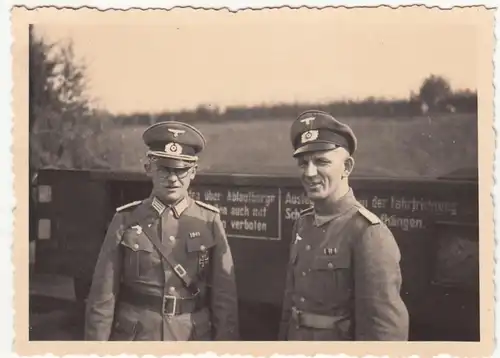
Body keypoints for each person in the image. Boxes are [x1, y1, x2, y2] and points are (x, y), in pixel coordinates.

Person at [84, 121, 239, 341]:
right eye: (164, 169)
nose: (173, 178)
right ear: (149, 168)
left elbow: (225, 301)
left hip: (191, 337)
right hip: (138, 338)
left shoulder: (208, 220)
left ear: (193, 172)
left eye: (182, 169)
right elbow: (103, 297)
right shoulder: (126, 219)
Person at [278, 110, 409, 341]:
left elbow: (384, 331)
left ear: (347, 167)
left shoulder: (367, 232)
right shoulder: (303, 224)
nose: (309, 173)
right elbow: (291, 308)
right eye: (303, 163)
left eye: (321, 162)